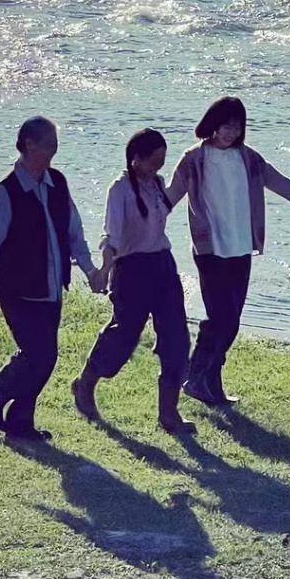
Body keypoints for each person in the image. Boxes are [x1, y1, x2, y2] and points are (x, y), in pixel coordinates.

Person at [168, 96, 290, 406]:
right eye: (226, 125)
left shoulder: (248, 159)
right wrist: (140, 225)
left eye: (237, 127)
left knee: (231, 320)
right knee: (219, 318)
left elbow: (283, 184)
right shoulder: (194, 159)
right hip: (210, 250)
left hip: (241, 249)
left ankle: (209, 382)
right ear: (212, 124)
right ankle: (195, 378)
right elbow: (170, 197)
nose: (231, 132)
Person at [0, 116, 106, 442]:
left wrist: (90, 271)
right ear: (29, 145)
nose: (54, 150)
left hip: (51, 289)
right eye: (49, 144)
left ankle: (21, 422)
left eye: (56, 144)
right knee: (40, 355)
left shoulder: (58, 183)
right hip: (18, 291)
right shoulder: (7, 193)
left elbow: (74, 234)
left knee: (42, 357)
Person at [72, 129, 194, 434]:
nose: (158, 168)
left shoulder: (157, 184)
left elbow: (165, 206)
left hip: (163, 266)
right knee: (123, 337)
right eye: (153, 161)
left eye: (162, 161)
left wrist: (192, 166)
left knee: (177, 340)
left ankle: (169, 415)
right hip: (131, 270)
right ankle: (85, 383)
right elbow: (110, 235)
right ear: (135, 159)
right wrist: (104, 269)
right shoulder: (120, 189)